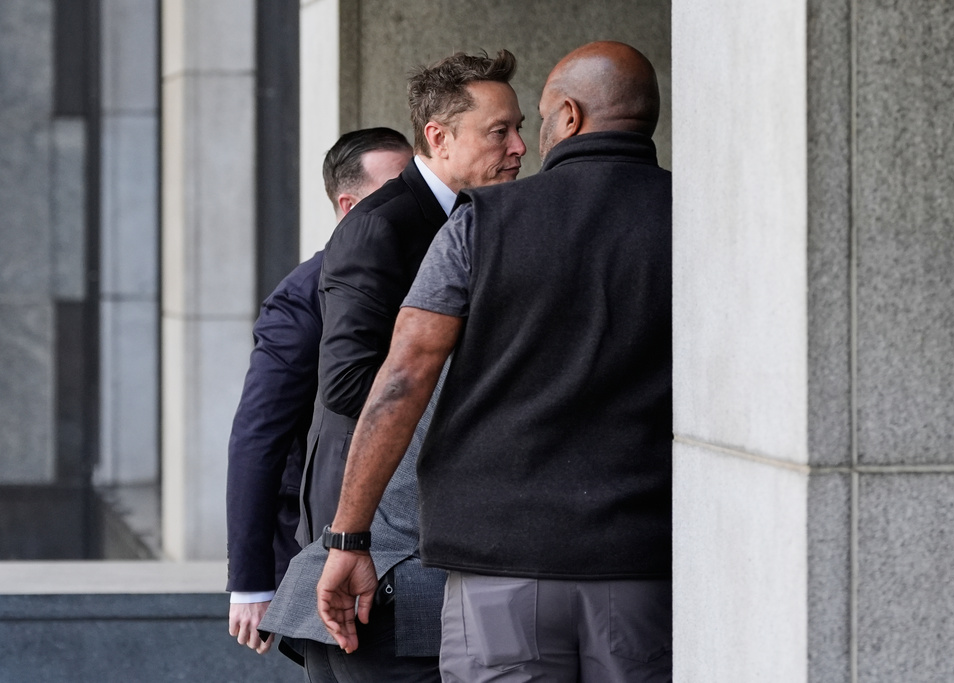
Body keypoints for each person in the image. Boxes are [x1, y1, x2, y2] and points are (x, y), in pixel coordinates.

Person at [316, 41, 673, 681]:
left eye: (533, 121)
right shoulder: (699, 220)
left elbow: (400, 383)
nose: (525, 144)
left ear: (567, 116)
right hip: (643, 560)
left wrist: (348, 537)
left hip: (501, 567)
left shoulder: (483, 223)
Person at [258, 49, 526, 682]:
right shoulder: (380, 225)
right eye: (499, 131)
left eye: (520, 128)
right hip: (384, 538)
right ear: (439, 137)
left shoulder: (489, 216)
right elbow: (348, 385)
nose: (519, 146)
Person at [225, 127, 413, 657]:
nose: (413, 202)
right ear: (350, 207)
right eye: (397, 190)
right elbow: (257, 434)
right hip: (331, 552)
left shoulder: (427, 269)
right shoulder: (305, 296)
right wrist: (252, 580)